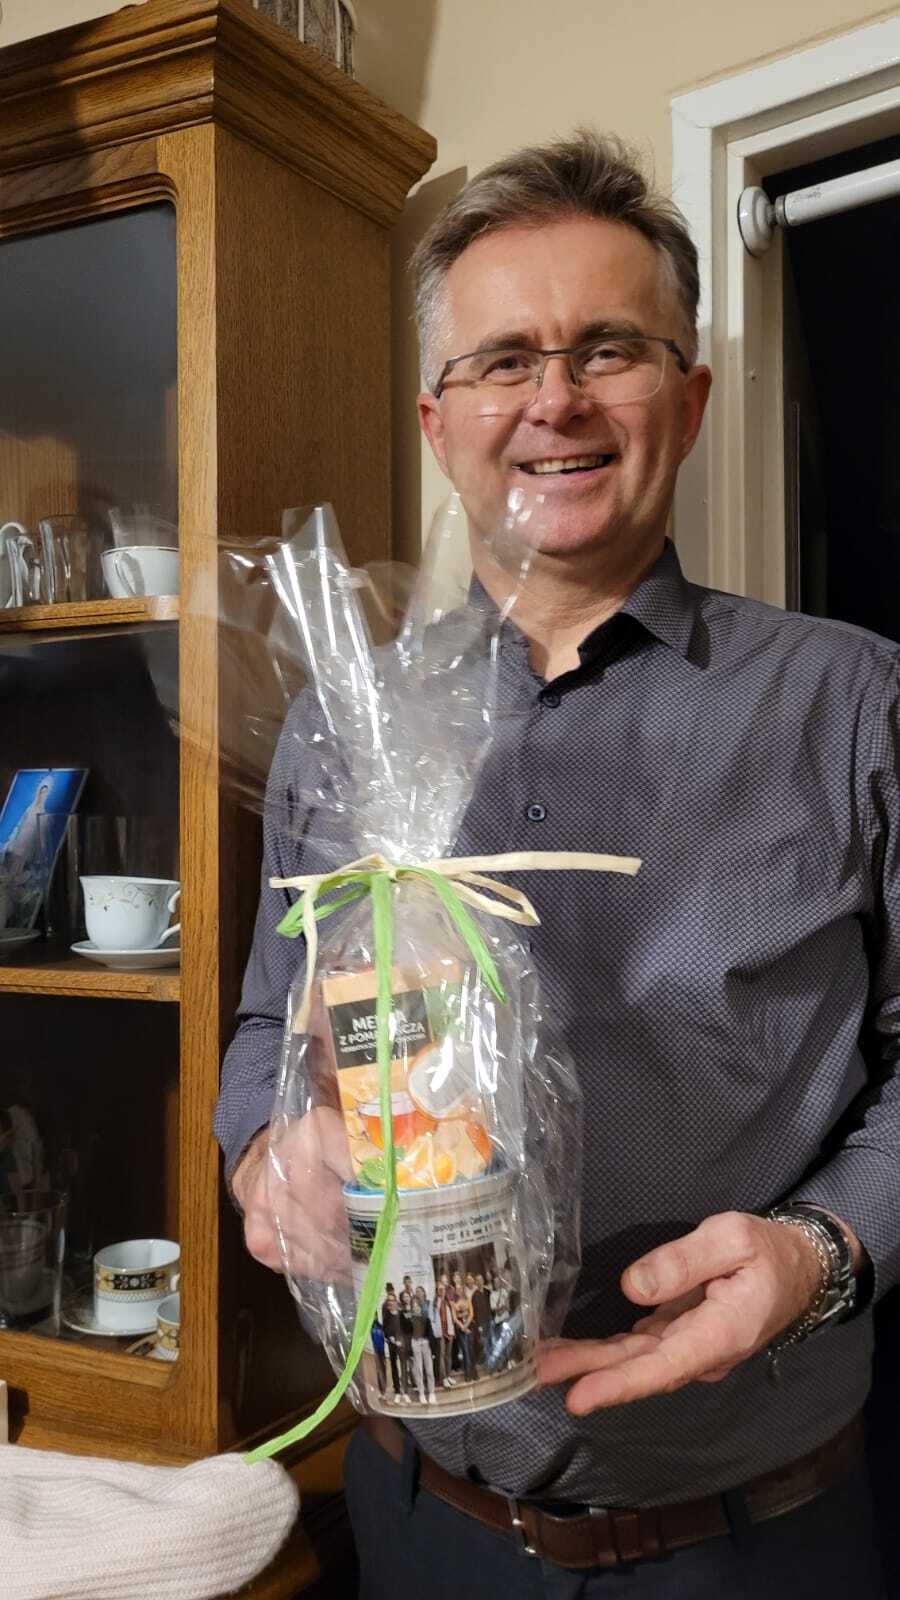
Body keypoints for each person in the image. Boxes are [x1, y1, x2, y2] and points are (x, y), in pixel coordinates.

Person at [216, 131, 898, 1595]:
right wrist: (264, 1157)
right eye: (504, 361)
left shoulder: (855, 704)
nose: (555, 400)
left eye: (609, 350)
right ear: (438, 419)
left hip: (759, 1537)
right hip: (420, 1515)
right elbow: (271, 1019)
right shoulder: (342, 731)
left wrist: (827, 1248)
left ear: (690, 400)